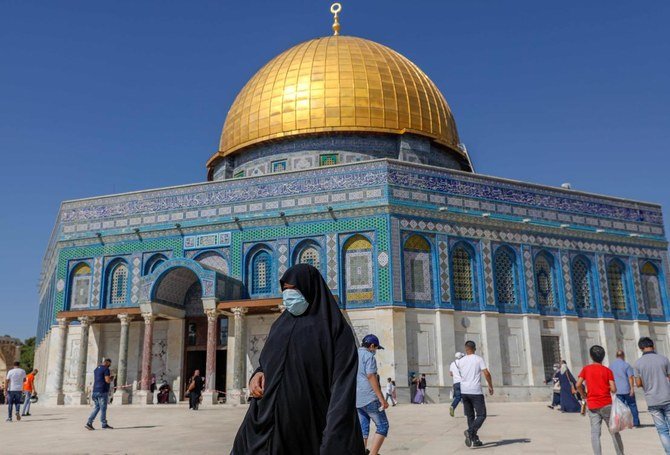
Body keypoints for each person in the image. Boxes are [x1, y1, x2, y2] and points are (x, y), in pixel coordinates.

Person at [231, 264, 365, 454]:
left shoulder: (334, 330)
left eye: (294, 288)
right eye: (285, 289)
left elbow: (342, 390)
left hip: (309, 431)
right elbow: (267, 361)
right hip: (265, 427)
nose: (288, 294)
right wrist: (257, 374)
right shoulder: (280, 325)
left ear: (310, 288)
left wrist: (333, 438)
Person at [576, 345, 624, 455]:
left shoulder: (586, 369)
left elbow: (578, 384)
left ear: (591, 356)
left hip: (592, 405)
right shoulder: (607, 371)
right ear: (603, 356)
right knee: (614, 431)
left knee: (595, 433)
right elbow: (613, 389)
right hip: (607, 404)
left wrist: (584, 395)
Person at [634, 337, 670, 454]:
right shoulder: (664, 359)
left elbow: (638, 384)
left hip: (652, 400)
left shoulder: (638, 363)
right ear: (653, 345)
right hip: (667, 397)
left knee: (662, 430)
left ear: (641, 348)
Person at [356, 334, 390, 455]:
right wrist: (382, 399)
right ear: (371, 346)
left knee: (363, 428)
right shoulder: (369, 356)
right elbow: (371, 376)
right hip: (370, 397)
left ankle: (362, 451)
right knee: (383, 426)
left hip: (357, 399)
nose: (375, 350)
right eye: (375, 348)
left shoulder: (354, 354)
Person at [459, 341, 494, 448]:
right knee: (481, 415)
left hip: (464, 391)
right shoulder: (478, 359)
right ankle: (470, 432)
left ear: (466, 349)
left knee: (470, 416)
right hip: (475, 391)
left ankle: (474, 439)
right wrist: (490, 386)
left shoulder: (461, 361)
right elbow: (486, 373)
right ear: (474, 348)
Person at [610, 350, 640, 427]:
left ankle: (621, 423)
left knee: (619, 408)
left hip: (617, 390)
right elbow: (630, 377)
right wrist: (632, 388)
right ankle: (636, 423)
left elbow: (610, 378)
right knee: (632, 405)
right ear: (623, 356)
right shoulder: (626, 365)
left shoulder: (611, 366)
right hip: (627, 389)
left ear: (616, 356)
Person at [85, 358, 114, 430]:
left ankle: (89, 422)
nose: (110, 365)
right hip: (102, 391)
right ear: (107, 363)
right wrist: (112, 378)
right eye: (110, 364)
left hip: (95, 391)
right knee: (103, 408)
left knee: (97, 407)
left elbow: (100, 378)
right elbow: (107, 380)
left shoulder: (96, 369)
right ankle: (104, 424)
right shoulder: (106, 369)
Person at [449, 352, 465, 417]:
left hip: (456, 383)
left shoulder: (452, 364)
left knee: (457, 397)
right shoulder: (463, 363)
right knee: (465, 398)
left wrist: (456, 375)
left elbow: (450, 374)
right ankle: (466, 413)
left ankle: (453, 406)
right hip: (463, 382)